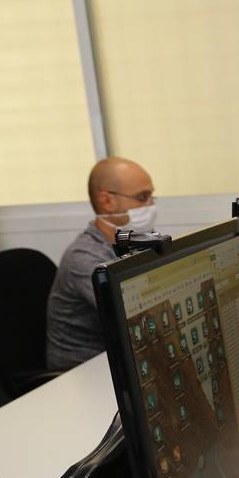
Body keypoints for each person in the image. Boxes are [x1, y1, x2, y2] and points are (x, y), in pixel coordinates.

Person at [45, 157, 157, 371]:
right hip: (80, 371)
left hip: (117, 356)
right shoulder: (84, 256)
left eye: (152, 196)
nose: (151, 205)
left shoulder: (135, 243)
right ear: (107, 201)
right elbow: (136, 314)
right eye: (143, 197)